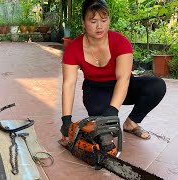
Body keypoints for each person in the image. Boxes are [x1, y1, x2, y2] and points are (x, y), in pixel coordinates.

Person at [61, 0, 166, 140]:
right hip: (96, 89)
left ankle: (131, 123)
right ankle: (103, 113)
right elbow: (69, 83)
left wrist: (113, 110)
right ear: (83, 22)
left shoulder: (121, 42)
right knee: (101, 126)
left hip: (123, 85)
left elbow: (124, 78)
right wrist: (66, 120)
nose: (99, 26)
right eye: (93, 21)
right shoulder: (73, 48)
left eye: (104, 20)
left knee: (157, 85)